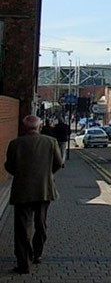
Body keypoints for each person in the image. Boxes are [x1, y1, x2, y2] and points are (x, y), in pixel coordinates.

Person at [4, 115, 63, 274]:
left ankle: (24, 263)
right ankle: (37, 254)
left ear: (24, 128)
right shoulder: (51, 142)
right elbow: (58, 164)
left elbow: (9, 167)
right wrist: (46, 174)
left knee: (23, 228)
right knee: (41, 223)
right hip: (44, 189)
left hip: (22, 190)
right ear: (39, 126)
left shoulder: (15, 144)